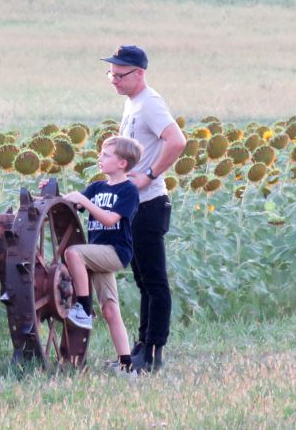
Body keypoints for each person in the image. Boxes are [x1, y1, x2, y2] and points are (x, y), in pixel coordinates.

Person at [101, 45, 186, 372]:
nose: (114, 80)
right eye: (111, 73)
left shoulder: (150, 103)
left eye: (120, 74)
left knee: (154, 281)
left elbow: (176, 141)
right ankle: (140, 348)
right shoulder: (132, 103)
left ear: (139, 74)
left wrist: (149, 174)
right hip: (135, 206)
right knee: (141, 279)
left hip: (150, 204)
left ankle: (153, 352)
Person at [45, 136, 142, 375]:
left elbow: (110, 219)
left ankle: (84, 308)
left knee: (73, 253)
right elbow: (72, 203)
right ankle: (127, 365)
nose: (100, 158)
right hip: (98, 255)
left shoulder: (128, 190)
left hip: (116, 252)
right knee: (110, 309)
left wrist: (85, 202)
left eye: (106, 155)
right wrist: (52, 193)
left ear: (122, 163)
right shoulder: (97, 188)